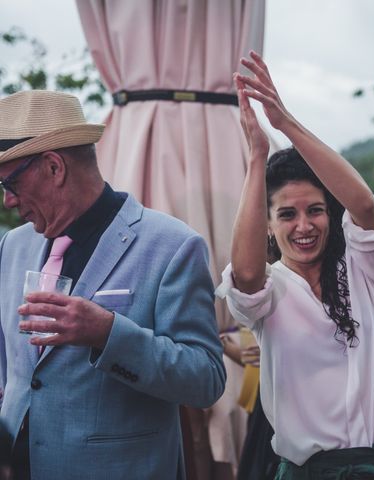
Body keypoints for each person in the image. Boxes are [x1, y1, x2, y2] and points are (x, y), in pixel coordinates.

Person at [216, 51, 374, 479]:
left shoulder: (362, 267)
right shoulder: (270, 292)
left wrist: (284, 122)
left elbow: (366, 206)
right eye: (287, 215)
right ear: (269, 226)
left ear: (330, 214)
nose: (304, 226)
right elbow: (248, 276)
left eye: (315, 210)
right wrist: (258, 157)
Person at [0, 90, 226, 479]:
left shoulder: (172, 246)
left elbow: (205, 379)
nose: (7, 201)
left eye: (10, 184)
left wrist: (108, 334)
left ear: (54, 167)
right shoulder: (13, 245)